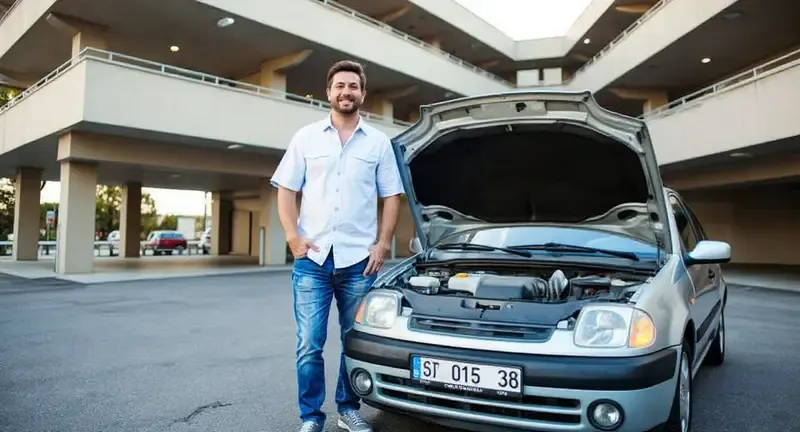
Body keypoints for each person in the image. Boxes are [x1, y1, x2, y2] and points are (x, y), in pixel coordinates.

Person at [270, 60, 404, 432]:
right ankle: (311, 417)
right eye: (340, 86)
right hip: (312, 260)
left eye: (353, 86)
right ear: (328, 92)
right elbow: (286, 189)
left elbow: (392, 196)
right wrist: (293, 237)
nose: (346, 92)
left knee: (353, 340)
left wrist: (383, 244)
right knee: (309, 344)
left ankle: (348, 409)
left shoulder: (378, 142)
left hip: (359, 261)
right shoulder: (306, 138)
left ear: (363, 94)